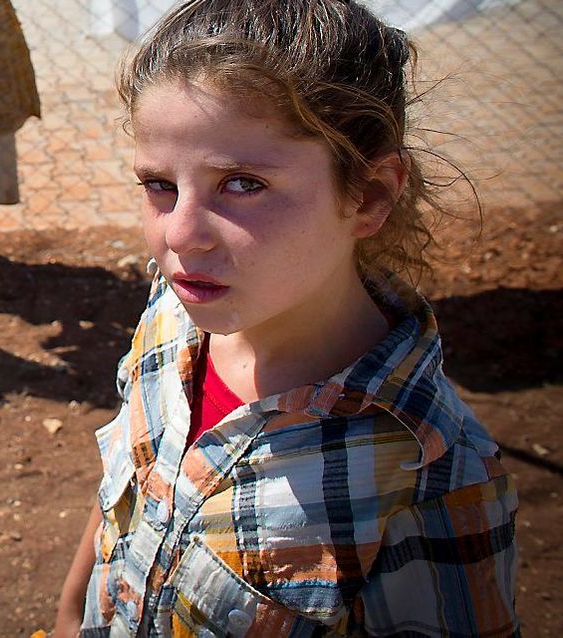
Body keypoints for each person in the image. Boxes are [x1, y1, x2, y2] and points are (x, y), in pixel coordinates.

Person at [53, 1, 519, 636]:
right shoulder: (172, 313)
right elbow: (134, 495)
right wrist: (66, 611)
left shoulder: (433, 480)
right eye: (160, 184)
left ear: (370, 194)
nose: (181, 235)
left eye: (243, 184)